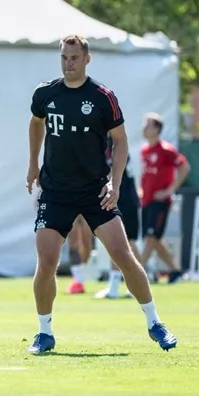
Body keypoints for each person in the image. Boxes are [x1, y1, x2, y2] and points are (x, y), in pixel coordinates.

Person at [26, 35, 177, 354]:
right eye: (64, 58)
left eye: (74, 58)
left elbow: (120, 142)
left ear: (87, 59)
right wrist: (32, 164)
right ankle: (44, 332)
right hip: (55, 192)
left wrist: (116, 182)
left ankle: (155, 323)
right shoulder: (45, 93)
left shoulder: (102, 97)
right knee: (47, 262)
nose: (69, 63)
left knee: (124, 256)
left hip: (95, 191)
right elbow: (36, 123)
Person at [139, 113, 189, 285]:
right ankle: (175, 270)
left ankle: (138, 272)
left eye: (148, 125)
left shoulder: (166, 150)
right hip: (146, 200)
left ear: (157, 129)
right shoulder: (145, 150)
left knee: (152, 237)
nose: (144, 128)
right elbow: (146, 175)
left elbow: (184, 167)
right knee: (154, 238)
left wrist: (169, 190)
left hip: (160, 201)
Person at [95, 135, 141, 299]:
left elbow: (111, 171)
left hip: (124, 198)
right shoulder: (107, 141)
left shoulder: (115, 142)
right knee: (119, 242)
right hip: (120, 197)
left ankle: (130, 285)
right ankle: (117, 285)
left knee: (127, 242)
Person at [65, 215, 92, 294]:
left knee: (87, 242)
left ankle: (81, 276)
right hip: (70, 204)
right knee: (73, 241)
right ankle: (78, 278)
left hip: (88, 204)